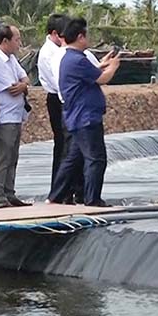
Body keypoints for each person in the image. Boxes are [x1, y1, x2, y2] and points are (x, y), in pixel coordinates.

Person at [47, 18, 120, 207]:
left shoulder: (70, 58)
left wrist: (103, 64)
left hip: (77, 116)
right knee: (96, 158)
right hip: (85, 117)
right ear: (80, 37)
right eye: (86, 36)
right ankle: (92, 199)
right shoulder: (77, 59)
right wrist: (114, 66)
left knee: (73, 158)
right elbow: (102, 79)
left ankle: (56, 195)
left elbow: (91, 73)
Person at [0, 24, 31, 207]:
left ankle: (9, 191)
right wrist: (23, 85)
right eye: (17, 39)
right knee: (3, 157)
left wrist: (24, 85)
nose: (19, 43)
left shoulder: (11, 58)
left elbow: (25, 79)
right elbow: (12, 87)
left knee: (13, 156)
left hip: (15, 115)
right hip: (3, 116)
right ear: (5, 41)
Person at [37, 14, 69, 185]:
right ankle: (60, 187)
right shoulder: (49, 53)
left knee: (68, 145)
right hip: (58, 99)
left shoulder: (58, 51)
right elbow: (59, 83)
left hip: (61, 97)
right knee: (63, 144)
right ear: (55, 34)